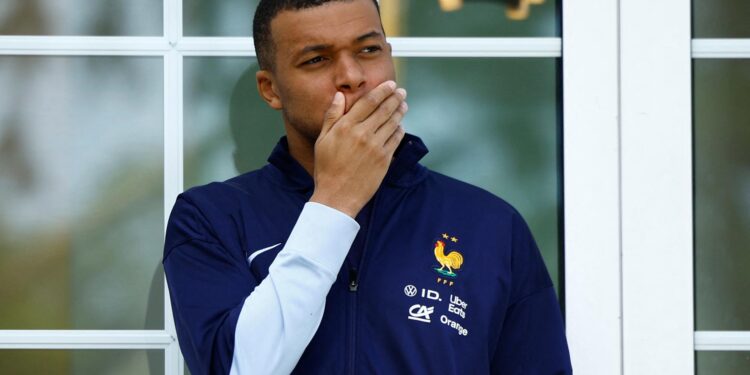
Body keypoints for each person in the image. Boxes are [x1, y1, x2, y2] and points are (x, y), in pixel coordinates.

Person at [163, 0, 573, 374]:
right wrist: (334, 202)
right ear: (271, 89)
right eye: (317, 59)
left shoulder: (490, 225)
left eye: (368, 50)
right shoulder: (211, 219)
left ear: (390, 57)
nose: (352, 76)